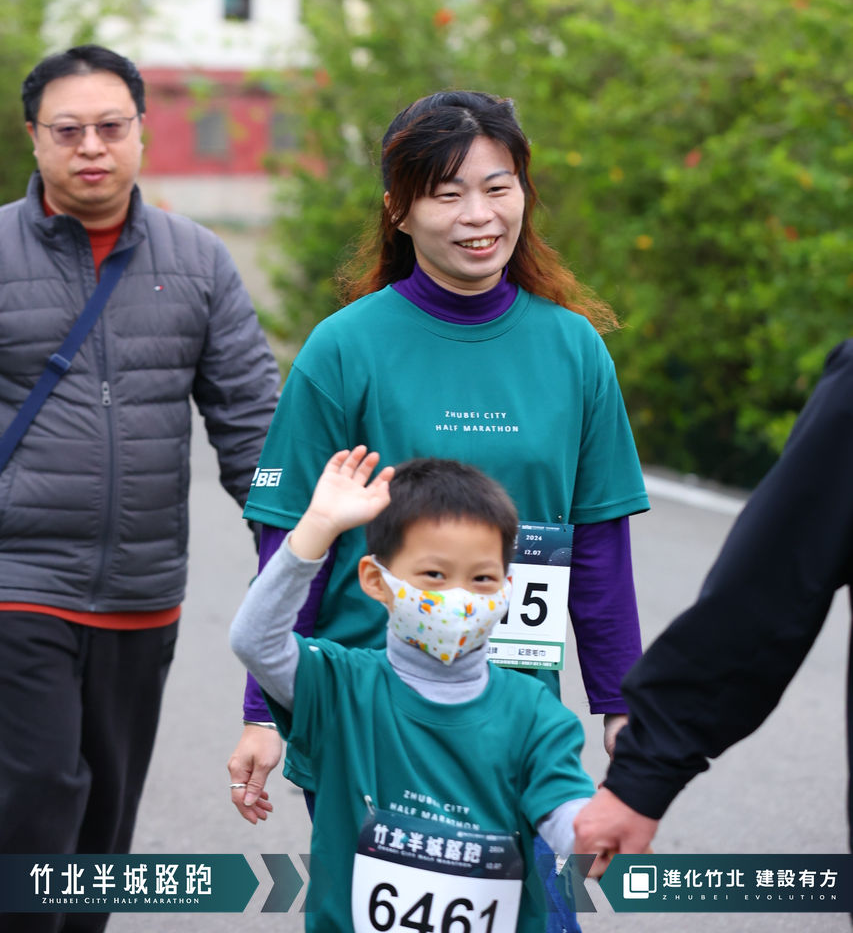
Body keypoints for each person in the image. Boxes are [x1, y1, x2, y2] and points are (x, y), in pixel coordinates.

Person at [228, 90, 649, 928]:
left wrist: (620, 704)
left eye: (497, 187)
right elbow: (289, 536)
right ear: (398, 210)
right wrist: (262, 712)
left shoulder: (573, 349)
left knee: (530, 911)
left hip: (514, 709)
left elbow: (599, 545)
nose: (478, 216)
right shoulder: (344, 348)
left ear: (524, 192)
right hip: (365, 712)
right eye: (447, 194)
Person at [0, 45, 280, 933]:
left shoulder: (198, 260)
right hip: (16, 582)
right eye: (68, 130)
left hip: (140, 592)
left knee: (102, 826)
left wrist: (291, 539)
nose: (91, 146)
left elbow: (252, 424)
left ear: (141, 132)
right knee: (37, 790)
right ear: (34, 138)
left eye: (110, 127)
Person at [230, 445, 595, 932]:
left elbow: (566, 811)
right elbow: (255, 641)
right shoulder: (339, 687)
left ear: (508, 587)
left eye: (482, 578)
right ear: (375, 580)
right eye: (434, 575)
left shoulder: (535, 715)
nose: (459, 597)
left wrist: (598, 834)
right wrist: (316, 529)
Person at [573, 338, 853, 870]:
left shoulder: (575, 348)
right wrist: (643, 767)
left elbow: (771, 592)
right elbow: (769, 594)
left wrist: (641, 765)